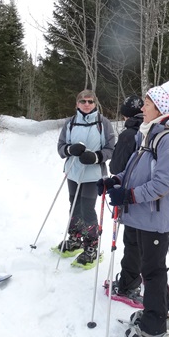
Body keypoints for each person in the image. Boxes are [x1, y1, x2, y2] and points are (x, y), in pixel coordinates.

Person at [100, 81, 169, 337]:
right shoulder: (146, 133)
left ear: (160, 107)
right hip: (139, 215)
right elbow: (135, 170)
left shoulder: (168, 138)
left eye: (147, 103)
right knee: (149, 268)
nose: (142, 107)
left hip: (154, 218)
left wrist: (130, 195)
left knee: (153, 271)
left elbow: (161, 184)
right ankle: (156, 314)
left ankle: (154, 325)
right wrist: (116, 180)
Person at [56, 89, 115, 268]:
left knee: (87, 208)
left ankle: (91, 246)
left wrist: (96, 156)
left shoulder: (103, 123)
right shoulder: (71, 122)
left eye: (90, 101)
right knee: (73, 204)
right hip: (73, 172)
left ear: (95, 104)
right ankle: (75, 238)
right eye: (83, 101)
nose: (87, 104)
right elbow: (60, 147)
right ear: (77, 104)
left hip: (93, 175)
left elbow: (111, 148)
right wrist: (69, 150)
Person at [106, 95, 145, 303]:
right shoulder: (154, 130)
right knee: (149, 240)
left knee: (132, 240)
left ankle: (129, 284)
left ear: (125, 114)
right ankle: (146, 276)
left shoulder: (129, 133)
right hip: (153, 200)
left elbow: (116, 167)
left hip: (131, 194)